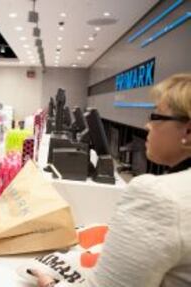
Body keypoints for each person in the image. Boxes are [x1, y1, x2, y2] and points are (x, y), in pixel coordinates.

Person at [32, 73, 191, 287]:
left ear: (188, 131)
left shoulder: (159, 196)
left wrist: (49, 284)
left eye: (156, 116)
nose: (147, 126)